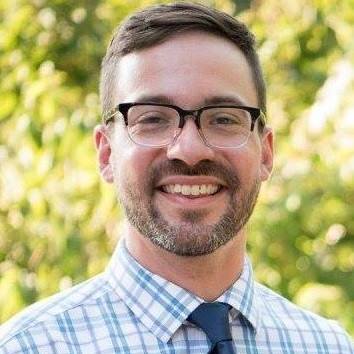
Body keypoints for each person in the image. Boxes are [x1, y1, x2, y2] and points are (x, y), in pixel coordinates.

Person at [0, 2, 352, 353]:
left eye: (223, 118)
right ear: (106, 153)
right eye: (152, 118)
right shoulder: (29, 346)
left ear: (267, 152)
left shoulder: (328, 346)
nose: (189, 149)